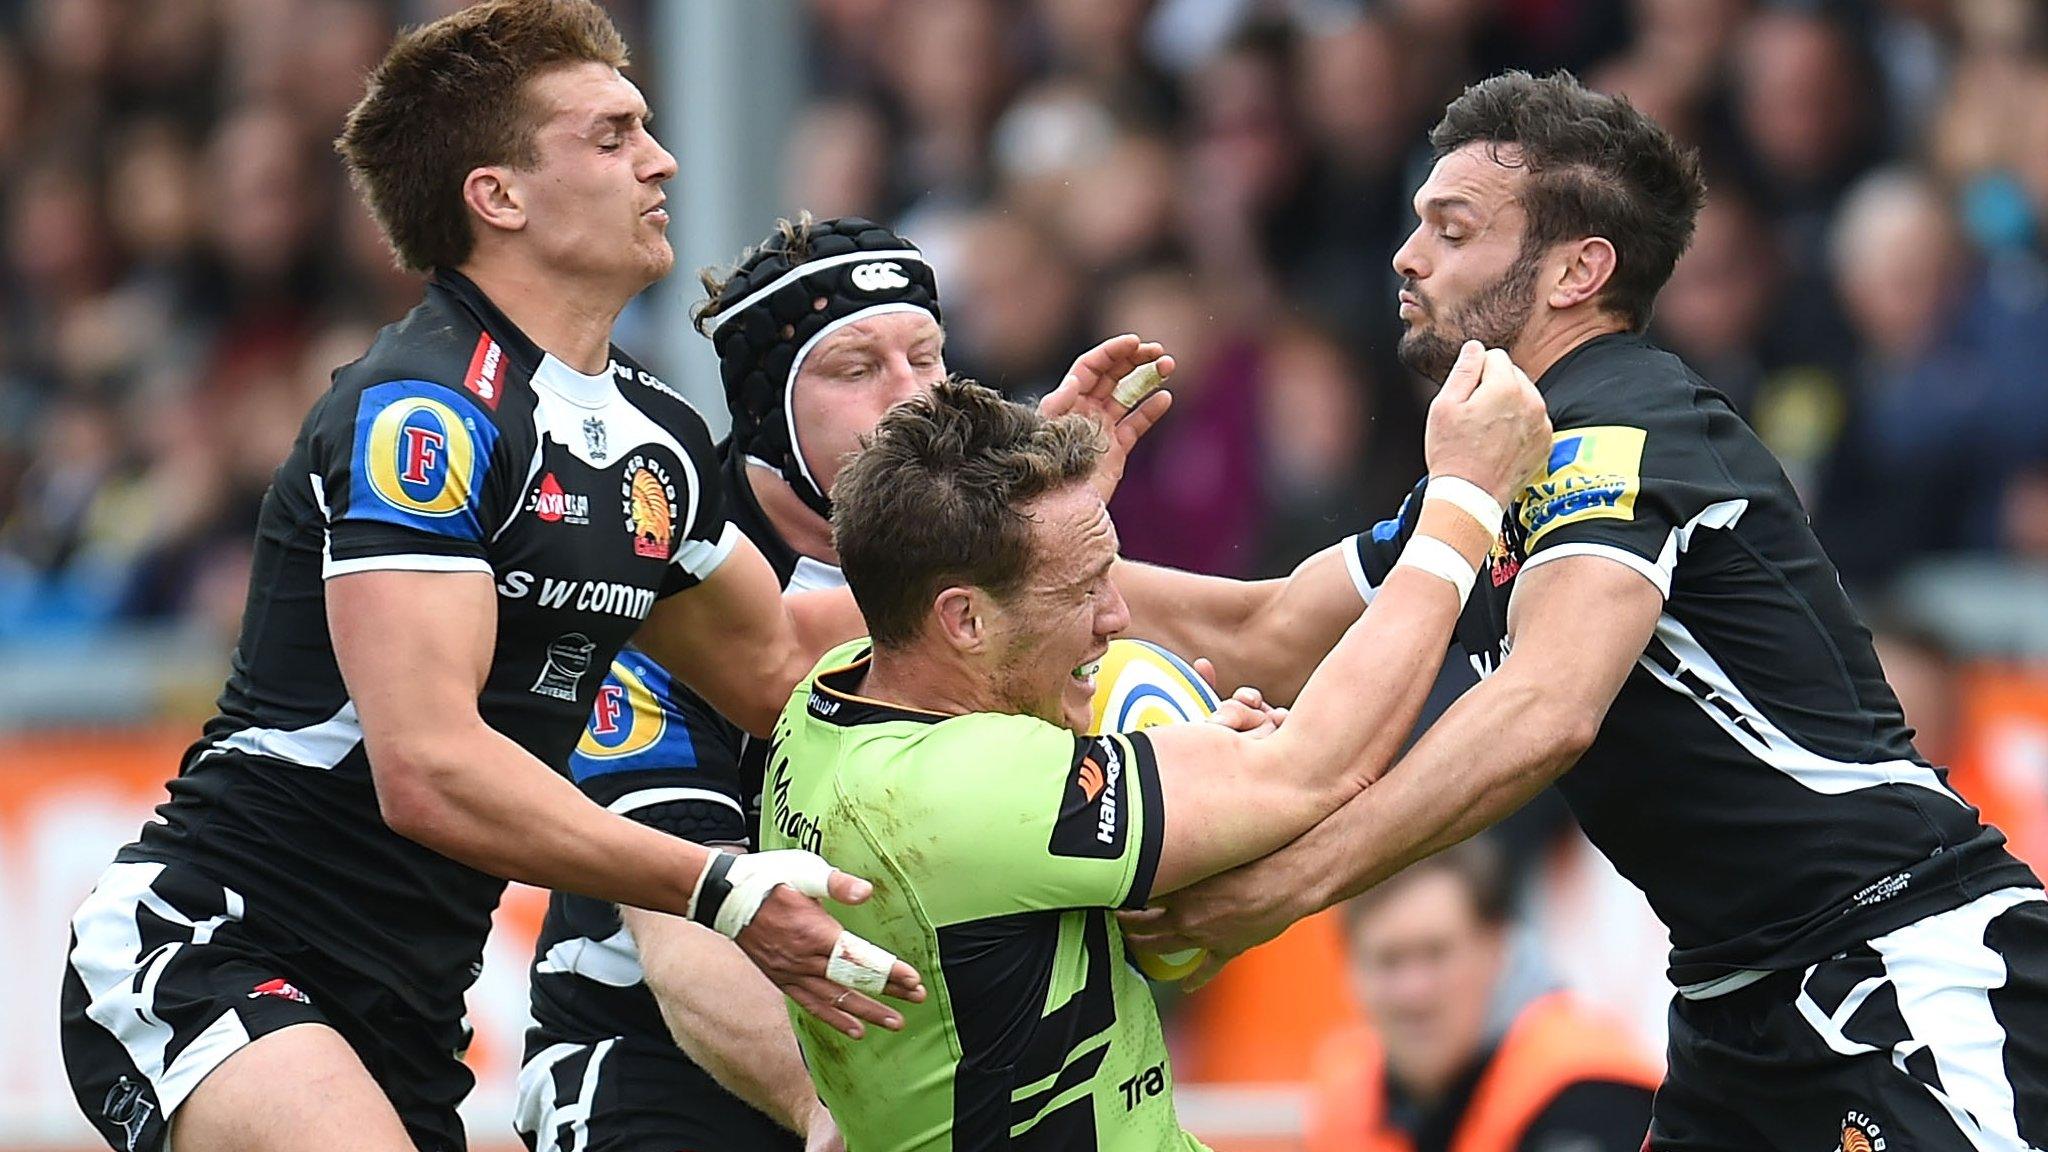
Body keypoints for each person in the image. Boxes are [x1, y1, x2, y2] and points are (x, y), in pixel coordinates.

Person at [1123, 71, 2048, 1151]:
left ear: (1577, 270)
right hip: (1734, 1004)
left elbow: (1544, 707)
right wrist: (1002, 541)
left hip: (1895, 959)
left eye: (1450, 227)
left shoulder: (1618, 423)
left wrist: (1282, 888)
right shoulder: (1490, 472)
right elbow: (1264, 631)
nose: (1403, 255)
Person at [57, 7, 927, 1152]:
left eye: (647, 131)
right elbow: (428, 769)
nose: (658, 160)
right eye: (611, 138)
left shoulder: (653, 434)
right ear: (498, 196)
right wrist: (713, 886)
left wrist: (1002, 536)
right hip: (217, 941)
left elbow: (776, 666)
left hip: (406, 1009)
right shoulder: (423, 415)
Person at [761, 367, 1551, 1151]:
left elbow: (1102, 911)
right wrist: (1465, 501)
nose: (1119, 616)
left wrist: (1180, 757)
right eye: (1082, 590)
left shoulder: (834, 699)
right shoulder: (957, 793)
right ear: (963, 618)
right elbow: (1315, 770)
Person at [516, 215, 1171, 1152]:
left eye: (927, 356)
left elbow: (1249, 629)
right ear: (768, 415)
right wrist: (826, 1114)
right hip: (658, 1054)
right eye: (856, 370)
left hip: (903, 1048)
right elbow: (682, 941)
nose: (909, 397)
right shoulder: (670, 582)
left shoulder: (1007, 566)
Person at [1306, 840, 1657, 1152]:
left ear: (1497, 949)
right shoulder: (1348, 1094)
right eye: (1388, 960)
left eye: (1435, 953)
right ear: (1349, 968)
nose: (1414, 991)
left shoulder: (1591, 1093)